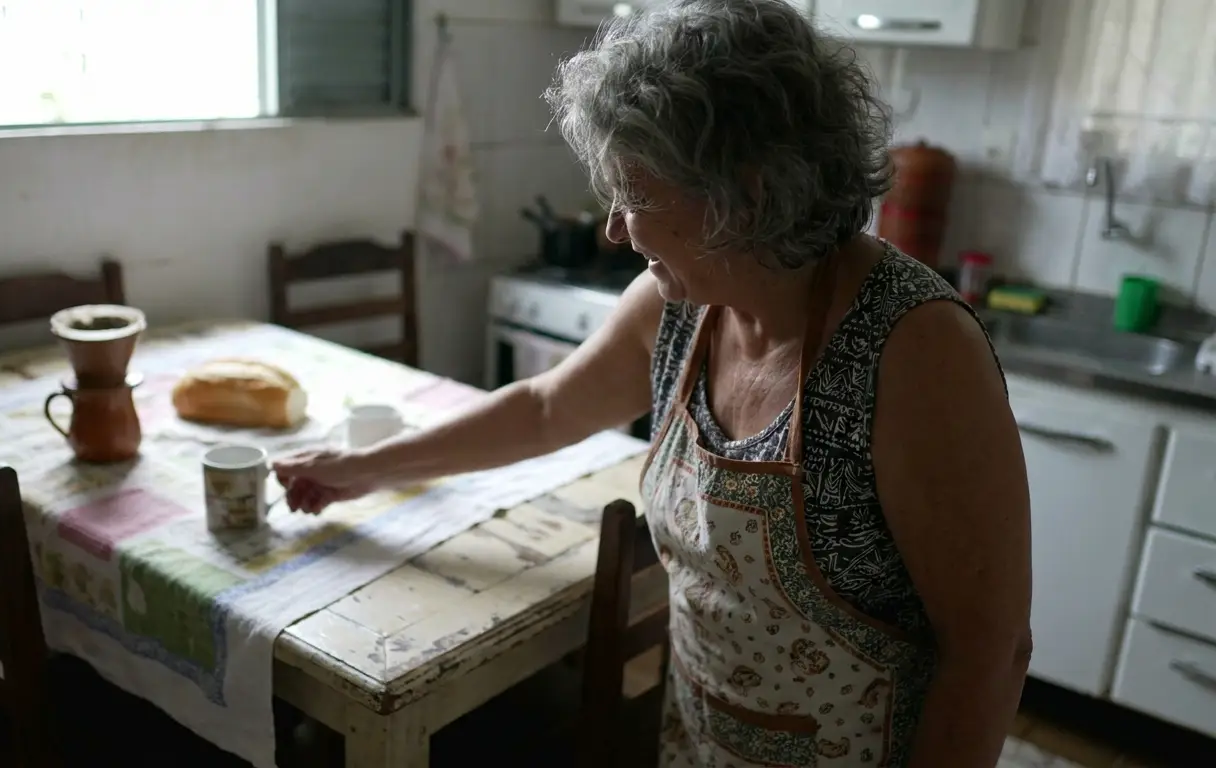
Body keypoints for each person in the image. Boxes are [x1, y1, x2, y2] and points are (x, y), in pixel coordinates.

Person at [276, 1, 1032, 765]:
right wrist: (361, 469)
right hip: (697, 740)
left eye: (635, 195)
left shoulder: (914, 351)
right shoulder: (679, 308)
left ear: (748, 196)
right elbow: (543, 409)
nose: (613, 228)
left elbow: (987, 654)